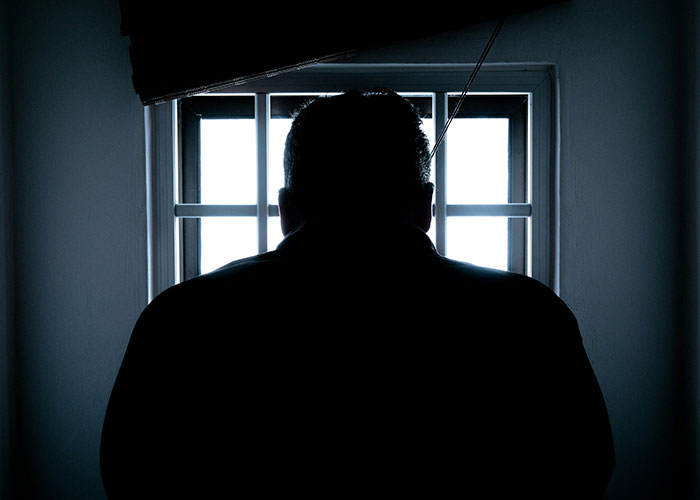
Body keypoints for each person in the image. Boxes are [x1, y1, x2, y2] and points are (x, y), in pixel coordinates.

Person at [100, 89, 615, 499]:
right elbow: (582, 471)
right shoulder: (528, 316)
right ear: (426, 204)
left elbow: (132, 478)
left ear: (285, 208)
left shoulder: (182, 318)